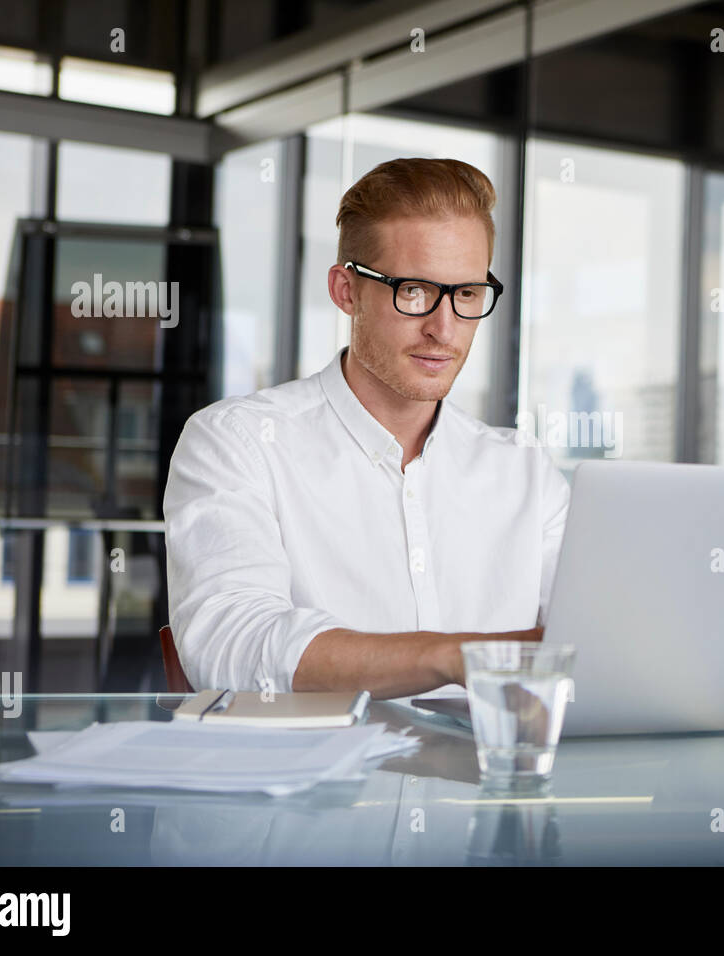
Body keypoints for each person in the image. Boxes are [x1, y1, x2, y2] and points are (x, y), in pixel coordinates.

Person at [163, 157, 570, 698]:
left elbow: (599, 640)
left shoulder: (527, 472)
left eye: (467, 294)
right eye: (415, 291)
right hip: (314, 779)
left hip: (488, 779)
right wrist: (457, 658)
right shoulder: (236, 443)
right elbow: (234, 648)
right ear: (346, 291)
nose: (443, 329)